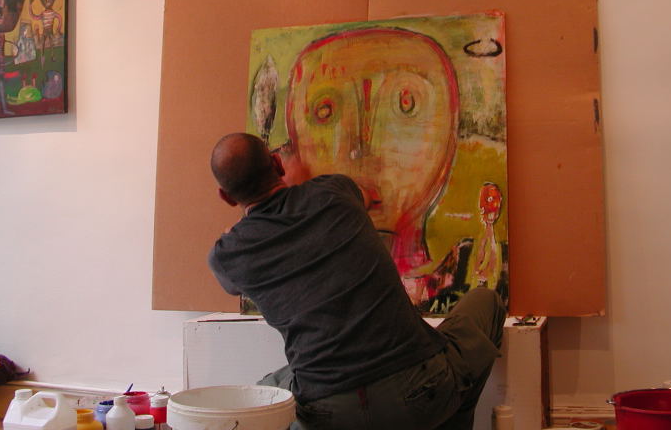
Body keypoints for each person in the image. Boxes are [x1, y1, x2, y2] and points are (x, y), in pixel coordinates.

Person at [208, 132, 506, 429]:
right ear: (277, 163)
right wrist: (304, 183)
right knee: (486, 302)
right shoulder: (334, 191)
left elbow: (235, 277)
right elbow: (364, 196)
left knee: (266, 392)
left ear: (226, 196)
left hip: (327, 413)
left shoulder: (229, 254)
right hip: (420, 391)